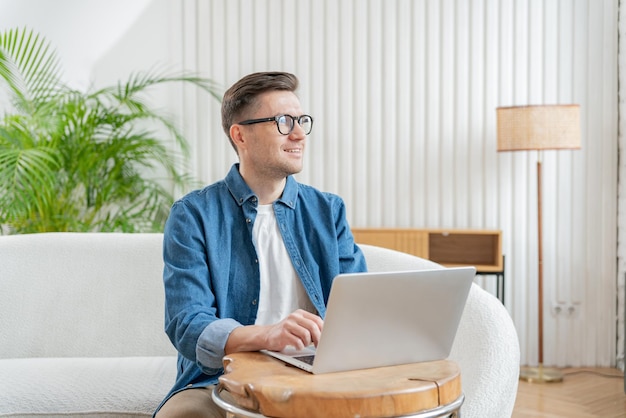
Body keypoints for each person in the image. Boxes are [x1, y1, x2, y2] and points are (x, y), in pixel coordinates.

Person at [154, 71, 367, 417]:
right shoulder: (193, 215)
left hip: (319, 378)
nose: (299, 134)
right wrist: (269, 336)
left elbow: (360, 306)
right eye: (283, 121)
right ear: (240, 135)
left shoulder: (329, 211)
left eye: (301, 121)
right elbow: (188, 324)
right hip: (219, 380)